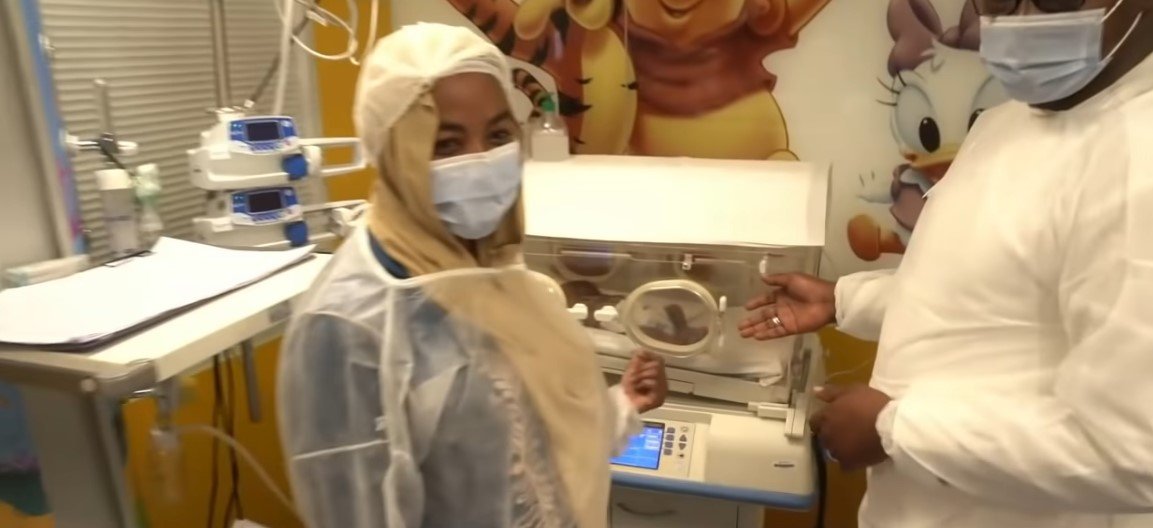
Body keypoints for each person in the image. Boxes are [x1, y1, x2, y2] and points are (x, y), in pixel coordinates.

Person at [739, 0, 1153, 526]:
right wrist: (845, 300)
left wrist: (895, 430)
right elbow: (985, 294)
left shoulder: (1137, 162)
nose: (1020, 15)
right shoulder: (1009, 123)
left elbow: (1132, 451)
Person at [277, 22, 668, 528]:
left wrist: (618, 409)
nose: (480, 161)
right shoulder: (348, 325)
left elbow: (523, 446)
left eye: (499, 134)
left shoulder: (486, 268)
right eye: (445, 143)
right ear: (396, 154)